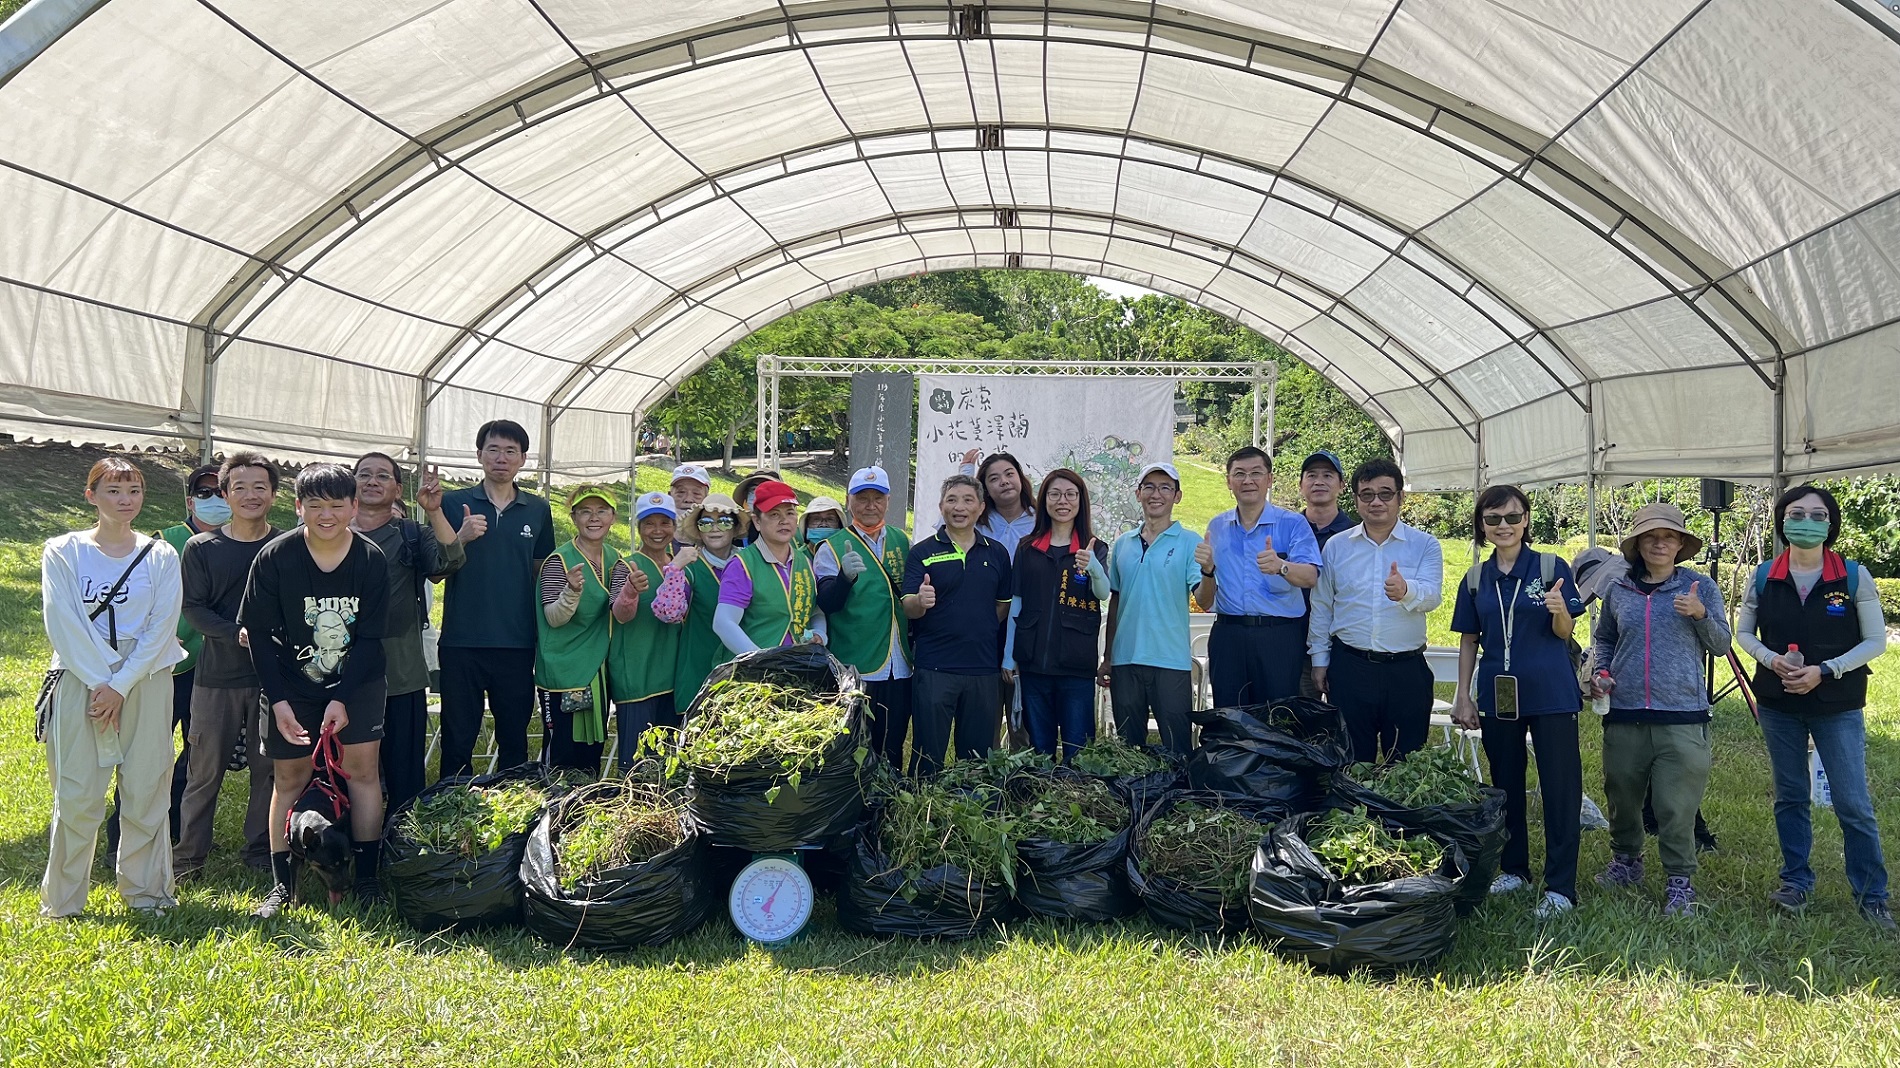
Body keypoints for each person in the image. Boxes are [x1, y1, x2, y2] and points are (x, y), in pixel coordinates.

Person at [1736, 484, 1891, 927]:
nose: (1806, 521)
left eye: (1817, 515)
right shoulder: (1764, 575)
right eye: (1796, 513)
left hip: (1837, 704)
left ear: (1830, 524)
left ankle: (1872, 895)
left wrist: (1825, 670)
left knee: (1852, 802)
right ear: (1783, 521)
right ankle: (1795, 882)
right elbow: (1743, 633)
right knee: (1790, 796)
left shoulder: (1854, 576)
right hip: (1778, 702)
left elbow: (1875, 641)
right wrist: (1772, 660)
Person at [241, 464, 390, 917]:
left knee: (362, 774)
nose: (327, 515)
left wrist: (342, 698)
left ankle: (367, 879)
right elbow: (258, 635)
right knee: (288, 778)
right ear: (298, 507)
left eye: (337, 505)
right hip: (291, 685)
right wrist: (279, 701)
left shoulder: (370, 559)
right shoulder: (275, 556)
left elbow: (370, 638)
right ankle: (282, 886)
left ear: (354, 506)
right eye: (316, 505)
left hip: (358, 683)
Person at [39, 458, 185, 918]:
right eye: (114, 491)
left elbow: (162, 626)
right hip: (80, 677)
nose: (126, 500)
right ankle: (63, 901)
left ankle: (147, 893)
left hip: (145, 678)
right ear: (92, 496)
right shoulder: (63, 550)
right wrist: (101, 681)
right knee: (77, 793)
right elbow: (61, 620)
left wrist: (121, 684)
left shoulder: (161, 555)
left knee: (147, 787)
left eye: (134, 491)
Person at [1449, 484, 1585, 918]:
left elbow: (1564, 633)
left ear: (1526, 520)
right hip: (1499, 695)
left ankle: (1561, 886)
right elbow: (1470, 640)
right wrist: (1463, 696)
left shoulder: (1550, 567)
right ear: (1482, 525)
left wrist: (1559, 610)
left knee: (1560, 787)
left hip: (1551, 693)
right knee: (1505, 783)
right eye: (1493, 519)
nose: (1503, 526)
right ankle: (1515, 869)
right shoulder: (1476, 579)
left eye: (1512, 517)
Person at [1590, 503, 1730, 917]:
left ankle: (1679, 881)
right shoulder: (1619, 589)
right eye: (1650, 536)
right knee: (1621, 794)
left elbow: (1721, 645)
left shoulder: (1700, 588)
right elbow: (1604, 639)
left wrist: (1701, 616)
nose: (1659, 543)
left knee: (1676, 805)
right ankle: (1626, 862)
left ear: (1681, 544)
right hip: (1625, 710)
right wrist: (1601, 670)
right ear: (1637, 544)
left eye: (1668, 536)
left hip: (1682, 714)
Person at [175, 452, 281, 880]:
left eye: (260, 487)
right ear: (225, 493)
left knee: (268, 772)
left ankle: (261, 851)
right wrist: (235, 632)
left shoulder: (287, 546)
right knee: (203, 773)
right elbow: (193, 607)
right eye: (239, 487)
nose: (250, 495)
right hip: (216, 678)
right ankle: (188, 858)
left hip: (273, 680)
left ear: (273, 494)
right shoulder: (201, 548)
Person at [105, 463, 221, 855]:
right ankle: (120, 837)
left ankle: (176, 829)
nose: (215, 499)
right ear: (190, 500)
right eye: (205, 492)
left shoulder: (243, 542)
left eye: (222, 491)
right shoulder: (163, 543)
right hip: (167, 668)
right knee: (143, 755)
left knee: (199, 758)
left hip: (217, 670)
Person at [351, 453, 465, 815]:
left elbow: (450, 559)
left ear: (398, 489)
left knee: (404, 770)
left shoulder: (411, 534)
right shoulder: (332, 531)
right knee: (343, 769)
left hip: (400, 672)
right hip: (341, 672)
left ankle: (399, 835)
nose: (372, 481)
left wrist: (434, 511)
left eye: (382, 476)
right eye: (364, 474)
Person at [1307, 458, 1442, 762]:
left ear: (1400, 497)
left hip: (1406, 670)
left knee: (1406, 763)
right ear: (1355, 499)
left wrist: (1406, 591)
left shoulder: (1425, 545)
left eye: (1385, 494)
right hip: (1350, 667)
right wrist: (1320, 660)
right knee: (1352, 762)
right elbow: (1322, 605)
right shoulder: (1337, 546)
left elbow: (1433, 596)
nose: (1376, 502)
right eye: (1367, 494)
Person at [438, 419, 551, 777]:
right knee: (457, 738)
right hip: (462, 640)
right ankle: (450, 803)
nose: (501, 458)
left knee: (514, 738)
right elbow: (435, 571)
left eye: (510, 451)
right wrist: (461, 538)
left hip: (516, 641)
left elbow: (542, 572)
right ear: (479, 455)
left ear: (523, 459)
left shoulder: (538, 509)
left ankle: (513, 804)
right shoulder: (452, 503)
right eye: (493, 450)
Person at [902, 475, 1012, 775]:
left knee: (976, 761)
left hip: (982, 669)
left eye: (967, 500)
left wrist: (979, 626)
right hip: (934, 668)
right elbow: (908, 606)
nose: (959, 507)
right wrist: (920, 601)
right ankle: (924, 802)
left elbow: (1002, 605)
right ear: (941, 506)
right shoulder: (922, 552)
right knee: (927, 756)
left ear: (981, 507)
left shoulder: (997, 553)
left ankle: (970, 804)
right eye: (951, 500)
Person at [1101, 463, 1211, 755]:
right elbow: (1116, 601)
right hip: (1125, 660)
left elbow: (1204, 600)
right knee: (1129, 752)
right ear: (1138, 494)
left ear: (1177, 496)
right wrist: (1108, 657)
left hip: (1170, 661)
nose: (1156, 494)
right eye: (1149, 487)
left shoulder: (1189, 542)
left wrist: (1209, 571)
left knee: (1178, 749)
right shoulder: (1123, 544)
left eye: (1165, 488)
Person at [1005, 468, 1110, 762]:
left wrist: (1093, 567)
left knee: (1078, 750)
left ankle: (1077, 792)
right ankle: (1042, 793)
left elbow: (1103, 593)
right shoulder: (1028, 548)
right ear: (1044, 501)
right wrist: (1008, 658)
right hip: (1034, 663)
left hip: (1076, 664)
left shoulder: (1094, 547)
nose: (1062, 501)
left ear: (1081, 501)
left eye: (1070, 494)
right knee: (1040, 751)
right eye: (1054, 494)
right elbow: (1016, 603)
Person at [1202, 446, 1321, 707]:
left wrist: (1282, 566)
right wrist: (1207, 569)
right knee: (1229, 714)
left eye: (1256, 473)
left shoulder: (1292, 523)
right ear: (1228, 481)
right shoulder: (1217, 526)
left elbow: (1311, 576)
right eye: (1239, 474)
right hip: (1228, 635)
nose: (1248, 480)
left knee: (1277, 715)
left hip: (1278, 636)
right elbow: (1205, 597)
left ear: (1269, 479)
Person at [813, 466, 914, 769]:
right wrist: (844, 578)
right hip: (858, 663)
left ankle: (891, 794)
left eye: (877, 498)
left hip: (900, 663)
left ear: (888, 501)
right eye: (862, 498)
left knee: (893, 742)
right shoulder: (831, 547)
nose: (870, 506)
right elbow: (827, 604)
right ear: (849, 501)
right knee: (857, 746)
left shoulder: (902, 541)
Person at [534, 485, 626, 773]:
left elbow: (619, 611)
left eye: (601, 511)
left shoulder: (615, 559)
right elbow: (553, 617)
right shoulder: (559, 561)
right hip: (564, 670)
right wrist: (571, 592)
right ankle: (553, 799)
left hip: (596, 670)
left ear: (613, 517)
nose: (593, 518)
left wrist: (632, 593)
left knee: (591, 751)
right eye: (585, 511)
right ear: (574, 518)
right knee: (561, 753)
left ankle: (586, 797)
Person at [609, 492, 687, 771]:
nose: (657, 531)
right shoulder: (627, 565)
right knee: (637, 765)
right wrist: (630, 591)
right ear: (638, 527)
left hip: (673, 677)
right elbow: (620, 615)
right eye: (649, 524)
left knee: (669, 762)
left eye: (665, 523)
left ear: (675, 526)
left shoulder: (681, 564)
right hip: (637, 676)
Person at [715, 480, 823, 653]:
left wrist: (819, 633)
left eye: (790, 513)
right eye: (774, 514)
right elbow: (723, 623)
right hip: (754, 666)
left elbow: (814, 610)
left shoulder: (804, 561)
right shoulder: (743, 565)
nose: (784, 521)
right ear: (757, 521)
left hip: (797, 663)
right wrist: (759, 658)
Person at [674, 493, 748, 705]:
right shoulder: (691, 566)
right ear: (698, 530)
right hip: (699, 671)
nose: (715, 528)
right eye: (706, 523)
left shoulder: (749, 562)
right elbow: (670, 612)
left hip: (744, 671)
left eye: (724, 522)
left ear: (735, 528)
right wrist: (674, 570)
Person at [1297, 450, 1355, 699]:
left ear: (1341, 485)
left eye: (1328, 475)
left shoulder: (1356, 535)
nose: (1319, 481)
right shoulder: (1287, 531)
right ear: (1301, 485)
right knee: (1298, 717)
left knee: (1344, 717)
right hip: (1295, 646)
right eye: (1311, 475)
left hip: (1346, 647)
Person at [960, 450, 1037, 556]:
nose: (1004, 481)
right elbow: (948, 532)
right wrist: (964, 479)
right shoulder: (977, 523)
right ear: (985, 489)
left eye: (1009, 474)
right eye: (994, 479)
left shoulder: (1041, 520)